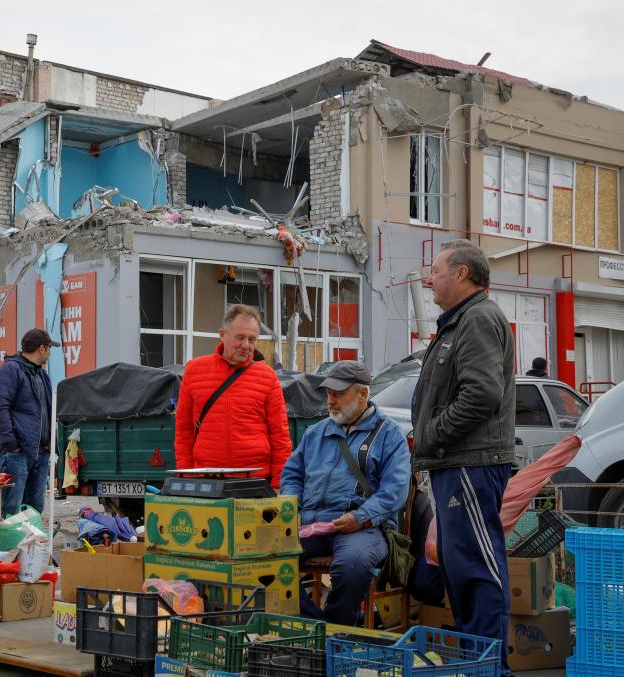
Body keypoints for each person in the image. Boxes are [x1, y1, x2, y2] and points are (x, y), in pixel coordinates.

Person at [412, 239, 515, 677]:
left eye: (435, 270)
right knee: (461, 564)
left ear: (461, 274)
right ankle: (478, 661)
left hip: (471, 463)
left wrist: (431, 434)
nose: (427, 278)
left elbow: (481, 394)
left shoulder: (477, 319)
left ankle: (489, 666)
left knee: (476, 566)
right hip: (457, 463)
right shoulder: (460, 321)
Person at [279, 360, 410, 625]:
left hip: (363, 528)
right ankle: (318, 625)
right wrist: (290, 507)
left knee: (352, 567)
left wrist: (361, 517)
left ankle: (338, 630)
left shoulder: (390, 435)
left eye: (338, 393)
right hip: (311, 524)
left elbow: (395, 491)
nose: (331, 400)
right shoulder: (315, 433)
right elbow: (292, 475)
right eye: (328, 393)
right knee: (263, 559)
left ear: (362, 394)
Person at [174, 304, 291, 488]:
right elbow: (183, 431)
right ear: (222, 334)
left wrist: (279, 485)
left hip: (255, 482)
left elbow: (280, 437)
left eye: (252, 339)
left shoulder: (267, 377)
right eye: (240, 337)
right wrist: (188, 480)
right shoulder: (194, 371)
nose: (246, 345)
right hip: (206, 482)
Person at [0, 328, 60, 516]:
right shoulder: (10, 371)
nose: (51, 353)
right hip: (17, 454)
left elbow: (48, 409)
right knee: (11, 507)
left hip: (40, 452)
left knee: (35, 508)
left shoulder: (41, 374)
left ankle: (30, 545)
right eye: (50, 348)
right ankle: (9, 545)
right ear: (42, 349)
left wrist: (51, 441)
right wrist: (12, 444)